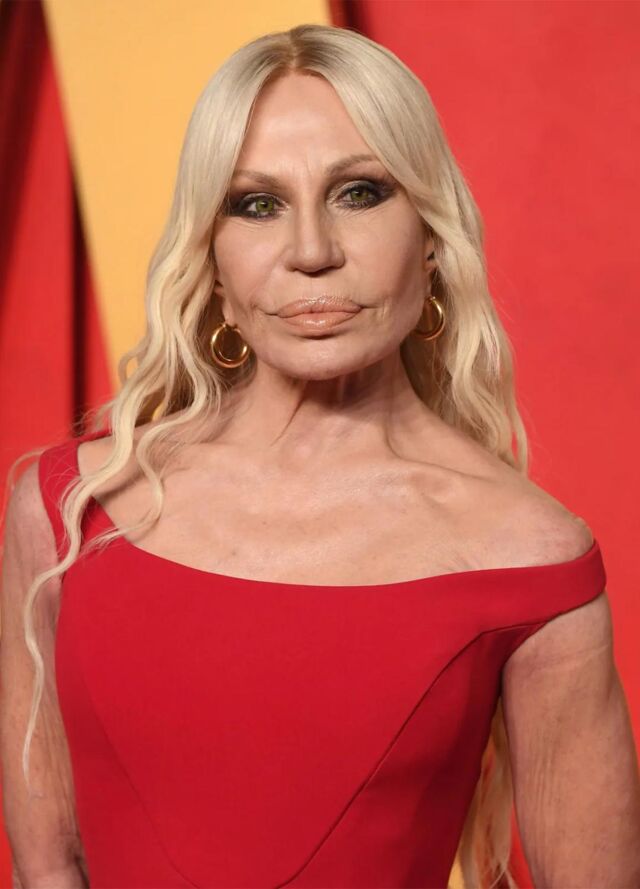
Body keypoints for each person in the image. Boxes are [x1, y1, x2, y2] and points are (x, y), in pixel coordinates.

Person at [2, 22, 639, 889]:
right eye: (256, 204)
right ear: (211, 256)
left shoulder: (531, 558)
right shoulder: (70, 511)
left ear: (432, 235)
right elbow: (46, 867)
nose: (312, 251)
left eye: (359, 192)